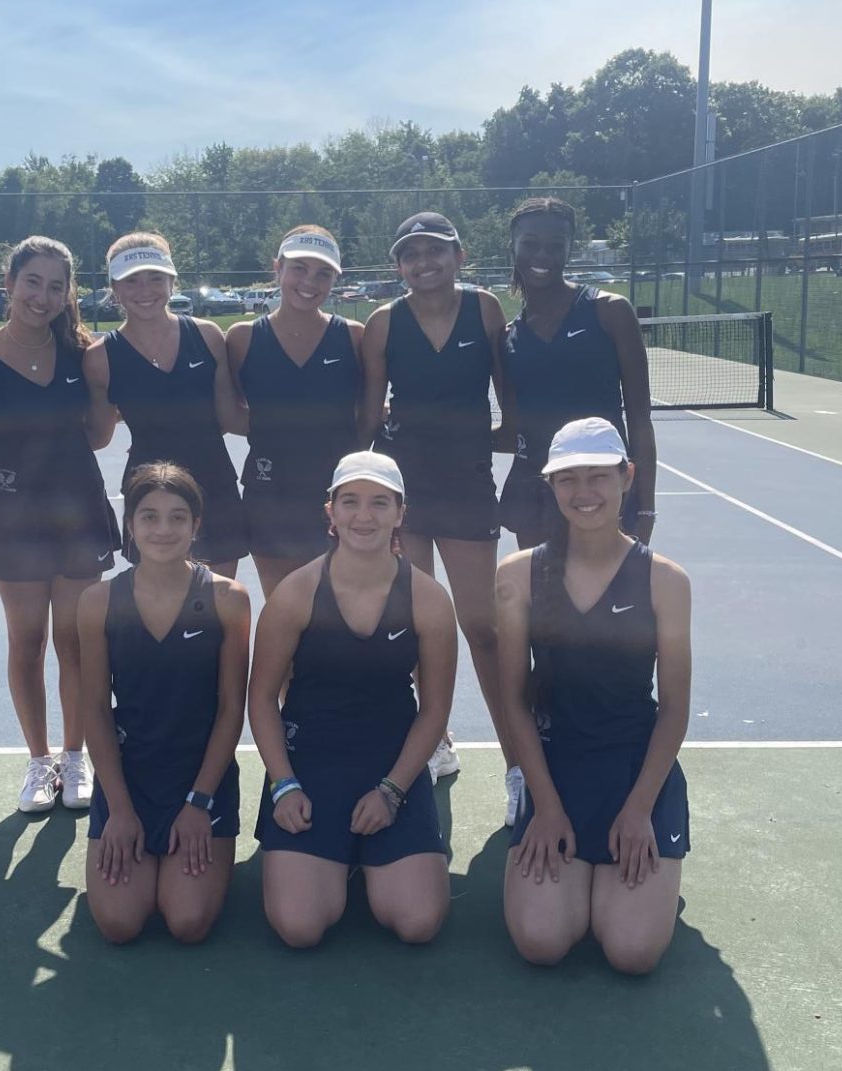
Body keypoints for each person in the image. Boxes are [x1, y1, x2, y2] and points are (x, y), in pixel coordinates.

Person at [496, 417, 690, 974]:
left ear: (627, 477)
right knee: (542, 942)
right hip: (556, 770)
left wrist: (639, 810)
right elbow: (514, 702)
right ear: (551, 486)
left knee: (630, 952)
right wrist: (547, 806)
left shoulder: (666, 581)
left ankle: (648, 883)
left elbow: (674, 709)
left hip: (636, 773)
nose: (584, 493)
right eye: (568, 479)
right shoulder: (518, 575)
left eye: (599, 477)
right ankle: (597, 881)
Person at [250, 451, 456, 948]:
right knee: (300, 928)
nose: (364, 516)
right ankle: (340, 860)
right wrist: (284, 786)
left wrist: (391, 791)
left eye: (379, 503)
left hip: (392, 767)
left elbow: (434, 711)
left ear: (400, 513)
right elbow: (259, 701)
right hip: (310, 765)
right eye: (351, 502)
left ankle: (364, 858)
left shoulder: (428, 599)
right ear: (331, 512)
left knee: (417, 923)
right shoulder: (295, 594)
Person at [360, 212, 521, 822]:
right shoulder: (382, 324)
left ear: (459, 254)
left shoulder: (485, 311)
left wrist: (475, 443)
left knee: (483, 627)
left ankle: (517, 766)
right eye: (411, 254)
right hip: (406, 487)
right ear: (398, 264)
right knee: (420, 624)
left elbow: (511, 404)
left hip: (467, 486)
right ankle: (436, 745)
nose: (423, 263)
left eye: (435, 251)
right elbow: (369, 416)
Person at [0, 237, 120, 815]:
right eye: (33, 281)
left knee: (75, 642)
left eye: (57, 286)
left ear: (68, 294)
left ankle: (75, 756)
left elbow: (100, 435)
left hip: (78, 511)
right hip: (13, 518)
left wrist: (107, 389)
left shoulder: (83, 355)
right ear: (9, 284)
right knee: (27, 642)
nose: (44, 296)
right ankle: (39, 761)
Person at [78, 463, 250, 943]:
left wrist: (199, 802)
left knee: (188, 922)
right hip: (129, 779)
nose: (163, 529)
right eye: (149, 516)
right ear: (130, 525)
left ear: (197, 525)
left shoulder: (228, 599)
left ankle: (191, 846)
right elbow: (93, 708)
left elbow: (230, 709)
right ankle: (139, 839)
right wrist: (119, 809)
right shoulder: (97, 602)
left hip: (201, 780)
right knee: (119, 924)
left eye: (178, 517)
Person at [83, 232, 248, 577]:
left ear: (172, 281)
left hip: (214, 486)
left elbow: (232, 418)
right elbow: (97, 437)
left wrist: (327, 418)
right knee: (158, 609)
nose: (145, 291)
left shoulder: (208, 336)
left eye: (155, 278)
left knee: (217, 604)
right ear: (114, 288)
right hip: (149, 496)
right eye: (132, 281)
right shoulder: (100, 358)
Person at [499, 196, 657, 550]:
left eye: (556, 246)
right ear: (512, 246)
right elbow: (511, 432)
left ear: (571, 250)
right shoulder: (507, 336)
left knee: (605, 601)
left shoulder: (611, 312)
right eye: (531, 244)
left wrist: (645, 509)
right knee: (540, 600)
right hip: (533, 489)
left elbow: (640, 421)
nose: (543, 256)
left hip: (600, 487)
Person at [225, 226, 364, 597]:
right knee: (284, 606)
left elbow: (365, 416)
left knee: (341, 609)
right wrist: (281, 429)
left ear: (335, 279)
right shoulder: (242, 338)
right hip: (270, 497)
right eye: (299, 268)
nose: (309, 281)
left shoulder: (354, 336)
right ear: (277, 269)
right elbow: (231, 415)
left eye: (323, 273)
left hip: (338, 496)